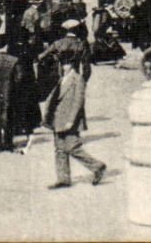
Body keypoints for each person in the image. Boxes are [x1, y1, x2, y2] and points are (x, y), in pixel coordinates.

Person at [44, 54, 107, 189]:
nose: (64, 66)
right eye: (62, 64)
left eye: (66, 64)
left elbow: (78, 102)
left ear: (72, 65)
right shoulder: (62, 79)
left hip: (69, 120)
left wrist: (71, 120)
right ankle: (63, 179)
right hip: (58, 119)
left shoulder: (77, 79)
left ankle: (97, 166)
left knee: (72, 147)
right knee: (60, 150)